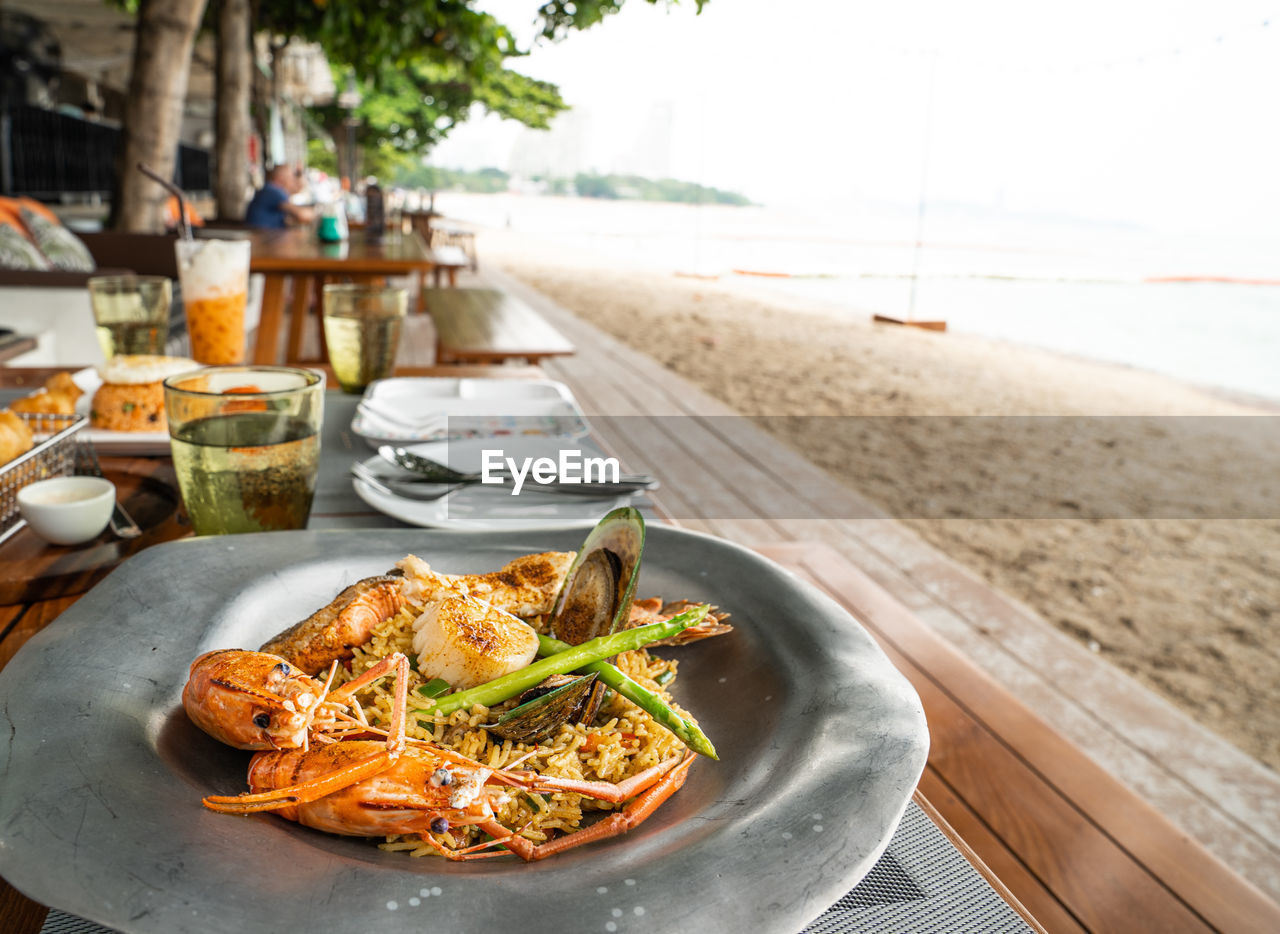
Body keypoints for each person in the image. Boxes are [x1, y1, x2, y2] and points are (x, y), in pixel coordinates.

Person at [244, 165, 315, 229]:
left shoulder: (268, 189)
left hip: (263, 235)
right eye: (290, 177)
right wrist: (315, 213)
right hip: (263, 238)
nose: (293, 181)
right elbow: (303, 216)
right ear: (281, 178)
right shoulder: (274, 191)